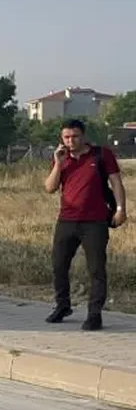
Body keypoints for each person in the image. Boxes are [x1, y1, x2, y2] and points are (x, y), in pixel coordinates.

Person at [44, 120, 127, 330]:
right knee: (59, 265)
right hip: (67, 220)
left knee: (96, 269)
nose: (71, 141)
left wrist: (120, 209)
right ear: (61, 139)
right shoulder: (62, 158)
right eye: (67, 137)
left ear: (84, 136)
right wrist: (58, 164)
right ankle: (63, 305)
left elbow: (116, 182)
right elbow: (50, 188)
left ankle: (94, 314)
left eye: (75, 136)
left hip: (95, 222)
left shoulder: (101, 155)